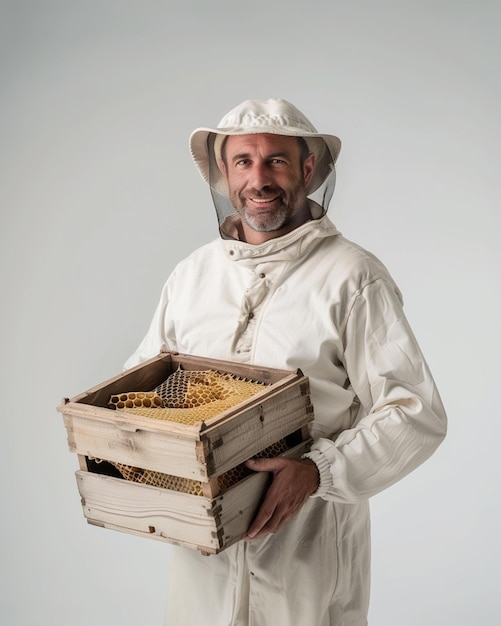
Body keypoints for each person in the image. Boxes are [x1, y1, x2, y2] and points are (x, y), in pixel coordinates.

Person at [124, 98, 447, 626]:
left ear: (308, 169)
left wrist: (318, 471)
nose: (260, 178)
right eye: (244, 162)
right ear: (225, 175)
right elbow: (146, 385)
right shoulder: (191, 276)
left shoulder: (353, 276)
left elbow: (415, 411)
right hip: (204, 556)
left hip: (309, 545)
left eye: (276, 160)